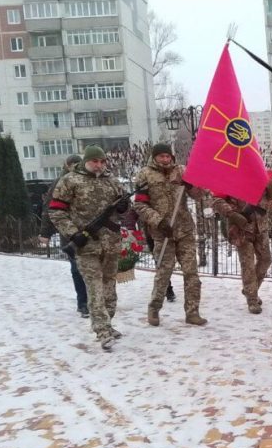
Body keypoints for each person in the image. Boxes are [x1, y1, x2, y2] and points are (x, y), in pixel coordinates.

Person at [49, 145, 130, 350]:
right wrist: (73, 233)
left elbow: (125, 204)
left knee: (109, 285)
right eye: (95, 161)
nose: (99, 165)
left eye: (102, 162)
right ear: (86, 161)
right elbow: (56, 211)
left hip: (110, 242)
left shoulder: (112, 181)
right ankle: (101, 330)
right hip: (86, 244)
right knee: (94, 287)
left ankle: (108, 323)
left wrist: (124, 206)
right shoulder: (70, 181)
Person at [134, 143, 207, 327]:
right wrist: (158, 221)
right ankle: (154, 308)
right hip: (162, 232)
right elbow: (140, 205)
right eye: (161, 157)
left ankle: (192, 311)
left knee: (191, 273)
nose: (165, 160)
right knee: (164, 272)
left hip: (184, 230)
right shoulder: (145, 175)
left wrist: (192, 185)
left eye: (168, 156)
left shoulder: (182, 171)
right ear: (155, 157)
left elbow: (199, 195)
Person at [209, 180, 272, 314]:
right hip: (241, 228)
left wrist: (270, 188)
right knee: (248, 264)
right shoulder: (230, 178)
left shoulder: (259, 176)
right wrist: (232, 214)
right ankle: (252, 299)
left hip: (260, 226)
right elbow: (216, 200)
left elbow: (269, 199)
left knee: (266, 260)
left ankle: (250, 289)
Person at [39, 154, 88, 317]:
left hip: (90, 231)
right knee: (77, 268)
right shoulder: (59, 184)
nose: (75, 167)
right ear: (66, 166)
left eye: (78, 164)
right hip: (70, 233)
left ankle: (95, 300)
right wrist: (45, 233)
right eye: (72, 164)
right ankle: (83, 302)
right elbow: (49, 209)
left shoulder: (86, 180)